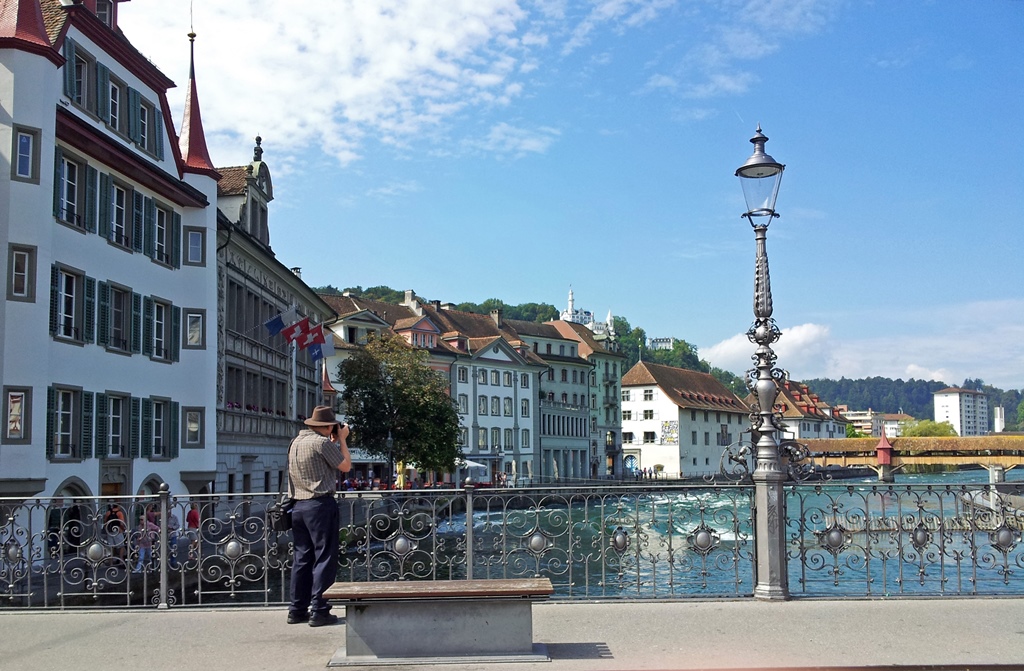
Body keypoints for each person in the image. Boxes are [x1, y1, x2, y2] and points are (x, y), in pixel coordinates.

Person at [286, 405, 351, 627]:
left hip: (298, 507)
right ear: (328, 426)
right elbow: (345, 466)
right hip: (320, 506)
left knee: (302, 558)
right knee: (324, 557)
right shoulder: (322, 443)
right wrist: (342, 439)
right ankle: (320, 610)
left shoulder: (296, 442)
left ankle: (296, 609)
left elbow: (320, 457)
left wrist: (333, 439)